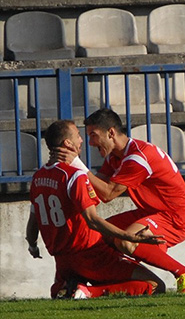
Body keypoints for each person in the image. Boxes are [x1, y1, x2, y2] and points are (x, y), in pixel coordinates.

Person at [56, 108, 185, 294]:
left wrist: (77, 165)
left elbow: (108, 194)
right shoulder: (116, 156)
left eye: (93, 135)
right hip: (150, 212)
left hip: (175, 217)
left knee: (125, 241)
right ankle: (88, 286)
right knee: (100, 235)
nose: (90, 143)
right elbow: (96, 191)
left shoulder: (138, 158)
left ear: (111, 133)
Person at [26, 119, 166, 299]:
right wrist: (129, 236)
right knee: (155, 285)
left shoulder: (38, 177)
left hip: (63, 261)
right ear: (67, 143)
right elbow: (92, 220)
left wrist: (32, 245)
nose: (81, 140)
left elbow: (33, 221)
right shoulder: (74, 176)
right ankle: (86, 292)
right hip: (90, 254)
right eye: (77, 135)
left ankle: (68, 286)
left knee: (110, 284)